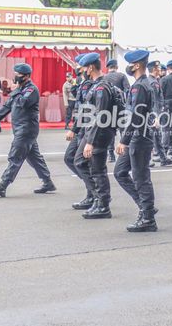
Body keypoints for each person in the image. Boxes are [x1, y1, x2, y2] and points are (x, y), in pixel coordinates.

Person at [0, 63, 56, 198]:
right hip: (19, 128)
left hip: (27, 129)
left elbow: (22, 102)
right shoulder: (20, 90)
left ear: (26, 76)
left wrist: (16, 90)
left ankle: (3, 185)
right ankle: (48, 182)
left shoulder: (31, 90)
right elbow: (7, 106)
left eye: (18, 75)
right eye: (15, 74)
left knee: (15, 156)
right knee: (34, 158)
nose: (15, 77)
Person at [114, 49, 159, 232]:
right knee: (120, 172)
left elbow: (137, 116)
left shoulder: (141, 86)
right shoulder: (142, 83)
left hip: (139, 137)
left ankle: (148, 218)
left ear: (137, 65)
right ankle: (145, 205)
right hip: (137, 136)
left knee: (141, 177)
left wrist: (124, 140)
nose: (129, 67)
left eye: (131, 64)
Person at [73, 53, 116, 219]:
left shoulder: (101, 88)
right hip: (92, 130)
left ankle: (103, 204)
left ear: (90, 67)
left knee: (98, 169)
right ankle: (97, 198)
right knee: (81, 162)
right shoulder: (95, 85)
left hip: (99, 133)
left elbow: (101, 115)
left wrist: (90, 141)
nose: (82, 70)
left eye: (84, 67)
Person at [64, 55, 97, 210]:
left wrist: (74, 129)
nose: (78, 68)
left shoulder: (89, 84)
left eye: (80, 66)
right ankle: (92, 191)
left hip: (86, 128)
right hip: (80, 126)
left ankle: (95, 195)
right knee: (70, 158)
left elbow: (87, 110)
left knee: (81, 161)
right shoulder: (82, 83)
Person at [147, 60, 172, 167]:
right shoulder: (153, 82)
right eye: (159, 68)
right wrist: (156, 117)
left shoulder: (153, 80)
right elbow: (155, 101)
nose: (161, 70)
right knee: (150, 137)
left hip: (152, 114)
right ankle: (148, 159)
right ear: (154, 69)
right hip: (153, 115)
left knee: (156, 137)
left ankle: (163, 158)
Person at [104, 58, 130, 162]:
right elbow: (128, 90)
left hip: (108, 109)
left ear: (108, 68)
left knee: (110, 132)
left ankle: (111, 154)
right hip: (121, 108)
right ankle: (125, 154)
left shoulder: (104, 78)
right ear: (117, 67)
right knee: (123, 131)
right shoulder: (122, 76)